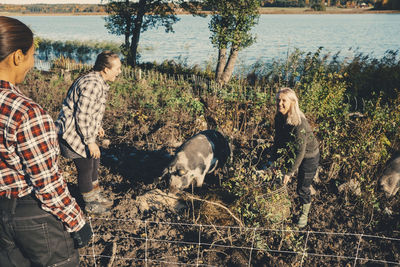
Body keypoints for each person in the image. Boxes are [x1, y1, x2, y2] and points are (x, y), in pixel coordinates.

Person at [0, 16, 92, 266]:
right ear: (17, 56)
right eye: (31, 54)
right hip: (31, 214)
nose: (31, 63)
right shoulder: (25, 112)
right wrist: (77, 222)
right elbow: (47, 182)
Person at [56, 51, 121, 214]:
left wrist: (97, 126)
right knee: (85, 168)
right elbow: (82, 115)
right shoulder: (92, 84)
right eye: (117, 68)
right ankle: (90, 204)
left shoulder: (98, 81)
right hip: (74, 133)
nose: (119, 72)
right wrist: (90, 142)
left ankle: (95, 194)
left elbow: (90, 110)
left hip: (82, 130)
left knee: (94, 163)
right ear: (106, 69)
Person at [269, 87, 320, 228]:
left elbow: (300, 152)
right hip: (292, 150)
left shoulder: (299, 124)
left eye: (284, 100)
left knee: (302, 188)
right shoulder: (279, 117)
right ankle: (280, 206)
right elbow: (278, 140)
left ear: (292, 102)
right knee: (279, 178)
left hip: (309, 156)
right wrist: (273, 160)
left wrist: (289, 172)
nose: (280, 103)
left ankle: (304, 214)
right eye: (278, 100)